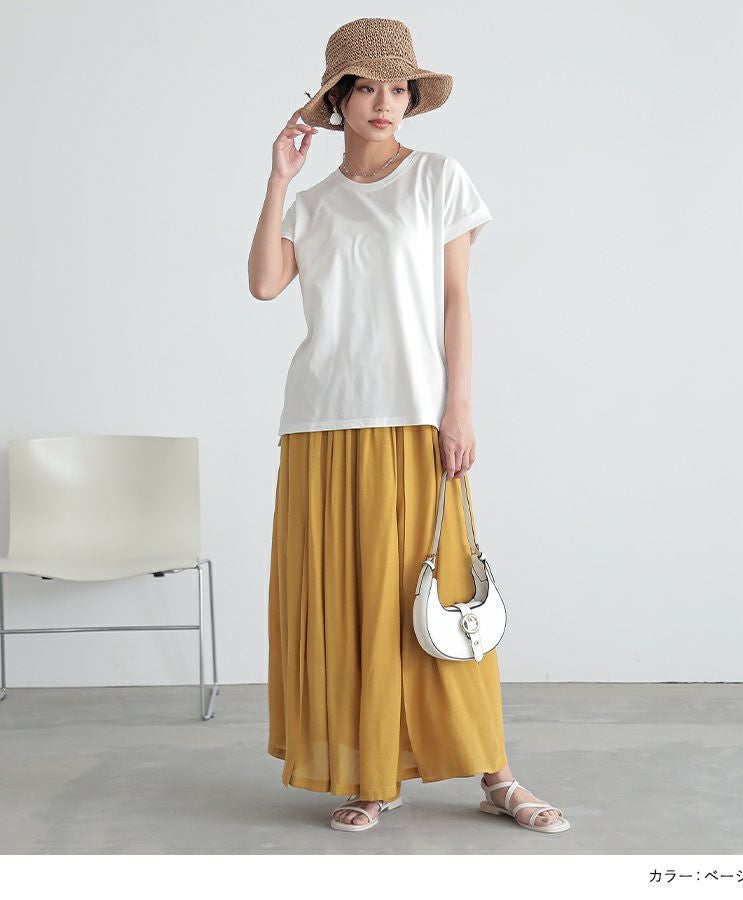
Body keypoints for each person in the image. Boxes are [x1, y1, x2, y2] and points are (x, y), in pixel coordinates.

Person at [248, 17, 570, 835]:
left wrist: (459, 407)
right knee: (350, 604)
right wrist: (279, 180)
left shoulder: (436, 178)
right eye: (366, 87)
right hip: (321, 419)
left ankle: (496, 774)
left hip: (412, 415)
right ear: (338, 101)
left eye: (398, 87)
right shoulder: (313, 202)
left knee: (442, 595)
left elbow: (458, 300)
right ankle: (373, 775)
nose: (385, 102)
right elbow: (264, 284)